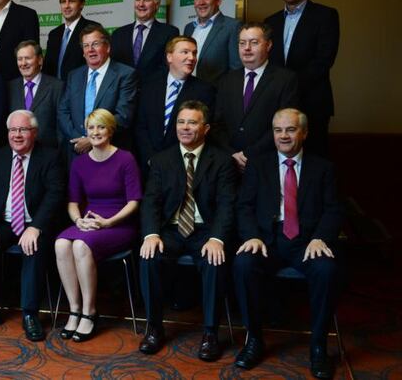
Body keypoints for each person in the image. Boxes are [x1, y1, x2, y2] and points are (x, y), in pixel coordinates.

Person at [233, 108, 341, 379]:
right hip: (267, 240)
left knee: (327, 271)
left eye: (290, 130)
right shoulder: (259, 164)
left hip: (307, 242)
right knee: (243, 264)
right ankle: (254, 340)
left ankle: (318, 347)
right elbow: (243, 206)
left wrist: (320, 238)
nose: (283, 135)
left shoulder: (323, 168)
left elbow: (334, 210)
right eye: (278, 130)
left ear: (304, 132)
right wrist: (252, 236)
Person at [138, 101, 236, 361]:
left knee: (215, 261)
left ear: (205, 128)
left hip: (206, 230)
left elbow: (227, 204)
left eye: (192, 122)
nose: (185, 128)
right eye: (181, 122)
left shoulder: (222, 160)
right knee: (149, 257)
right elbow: (151, 201)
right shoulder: (161, 160)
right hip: (170, 229)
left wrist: (217, 238)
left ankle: (211, 333)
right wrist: (151, 234)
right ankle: (154, 329)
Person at [0, 110, 65, 341]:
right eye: (12, 130)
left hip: (35, 222)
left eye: (23, 130)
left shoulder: (50, 157)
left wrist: (36, 226)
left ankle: (30, 314)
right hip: (5, 222)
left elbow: (55, 195)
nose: (17, 135)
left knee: (34, 245)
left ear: (34, 133)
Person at [55, 109, 142, 342]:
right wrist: (78, 220)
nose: (95, 132)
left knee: (80, 246)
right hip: (89, 222)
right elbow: (72, 202)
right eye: (91, 128)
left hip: (119, 224)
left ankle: (89, 311)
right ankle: (74, 309)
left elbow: (134, 201)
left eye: (101, 127)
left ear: (110, 130)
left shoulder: (126, 158)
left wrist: (108, 222)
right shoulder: (80, 163)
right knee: (62, 243)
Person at [265, 0, 340, 157]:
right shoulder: (270, 22)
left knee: (314, 160)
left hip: (312, 102)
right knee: (279, 160)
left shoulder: (326, 15)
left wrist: (289, 86)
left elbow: (324, 60)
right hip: (277, 104)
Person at [214, 22, 299, 172]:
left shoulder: (285, 79)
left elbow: (284, 126)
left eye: (254, 43)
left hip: (266, 163)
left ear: (268, 45)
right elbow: (217, 124)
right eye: (242, 43)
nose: (246, 48)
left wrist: (248, 154)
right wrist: (232, 153)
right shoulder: (227, 80)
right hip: (230, 163)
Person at [134, 36, 216, 174]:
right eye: (185, 52)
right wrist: (150, 158)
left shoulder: (205, 91)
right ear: (169, 57)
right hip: (150, 167)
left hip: (184, 168)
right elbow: (140, 126)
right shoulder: (149, 86)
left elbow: (203, 132)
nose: (191, 57)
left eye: (194, 53)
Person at [59, 24, 135, 160]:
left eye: (95, 44)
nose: (90, 50)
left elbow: (123, 115)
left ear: (108, 47)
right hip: (77, 151)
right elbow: (63, 111)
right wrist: (78, 139)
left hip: (109, 153)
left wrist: (92, 139)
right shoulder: (74, 75)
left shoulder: (125, 74)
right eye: (86, 46)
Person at [111, 0, 179, 89]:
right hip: (124, 95)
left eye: (146, 0)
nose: (141, 4)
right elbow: (114, 68)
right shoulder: (118, 34)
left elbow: (168, 68)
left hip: (153, 95)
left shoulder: (169, 32)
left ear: (156, 4)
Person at [182, 0, 241, 86]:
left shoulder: (232, 27)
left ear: (218, 0)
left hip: (215, 98)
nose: (201, 2)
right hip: (188, 94)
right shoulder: (188, 28)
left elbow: (236, 70)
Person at [8, 40, 63, 148]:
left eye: (28, 58)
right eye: (20, 59)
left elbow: (61, 126)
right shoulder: (9, 87)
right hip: (18, 153)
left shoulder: (57, 87)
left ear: (40, 60)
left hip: (48, 153)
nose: (23, 63)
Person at [44, 0, 100, 82]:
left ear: (82, 4)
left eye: (71, 1)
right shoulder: (54, 34)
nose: (66, 6)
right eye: (63, 2)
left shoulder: (92, 29)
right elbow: (48, 68)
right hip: (55, 93)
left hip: (80, 90)